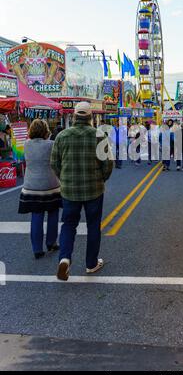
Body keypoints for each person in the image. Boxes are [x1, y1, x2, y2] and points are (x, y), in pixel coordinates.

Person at [51, 102, 113, 281]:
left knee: (69, 225)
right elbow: (108, 164)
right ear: (91, 117)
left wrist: (64, 178)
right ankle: (91, 263)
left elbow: (54, 163)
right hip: (94, 189)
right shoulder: (99, 135)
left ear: (74, 116)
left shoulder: (62, 136)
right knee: (93, 225)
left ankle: (64, 258)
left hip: (70, 190)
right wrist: (101, 178)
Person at [18, 120, 61, 259]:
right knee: (53, 213)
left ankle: (37, 249)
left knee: (36, 216)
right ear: (45, 131)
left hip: (31, 185)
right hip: (50, 184)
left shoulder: (26, 144)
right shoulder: (51, 145)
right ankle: (51, 242)